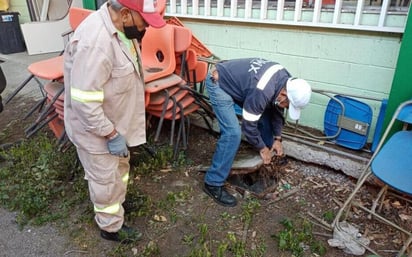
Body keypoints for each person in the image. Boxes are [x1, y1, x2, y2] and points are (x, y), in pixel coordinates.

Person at [63, 0, 165, 243]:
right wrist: (110, 134)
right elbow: (84, 102)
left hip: (114, 122)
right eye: (144, 22)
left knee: (118, 171)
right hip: (96, 130)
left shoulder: (121, 28)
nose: (145, 29)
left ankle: (116, 203)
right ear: (126, 14)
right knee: (105, 180)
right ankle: (110, 227)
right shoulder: (95, 43)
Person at [203, 58, 312, 207]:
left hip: (243, 85)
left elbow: (277, 111)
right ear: (284, 94)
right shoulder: (262, 90)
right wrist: (262, 148)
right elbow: (249, 126)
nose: (287, 108)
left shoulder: (287, 81)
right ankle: (213, 182)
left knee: (267, 115)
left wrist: (277, 139)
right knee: (232, 133)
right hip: (219, 84)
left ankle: (265, 162)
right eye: (288, 105)